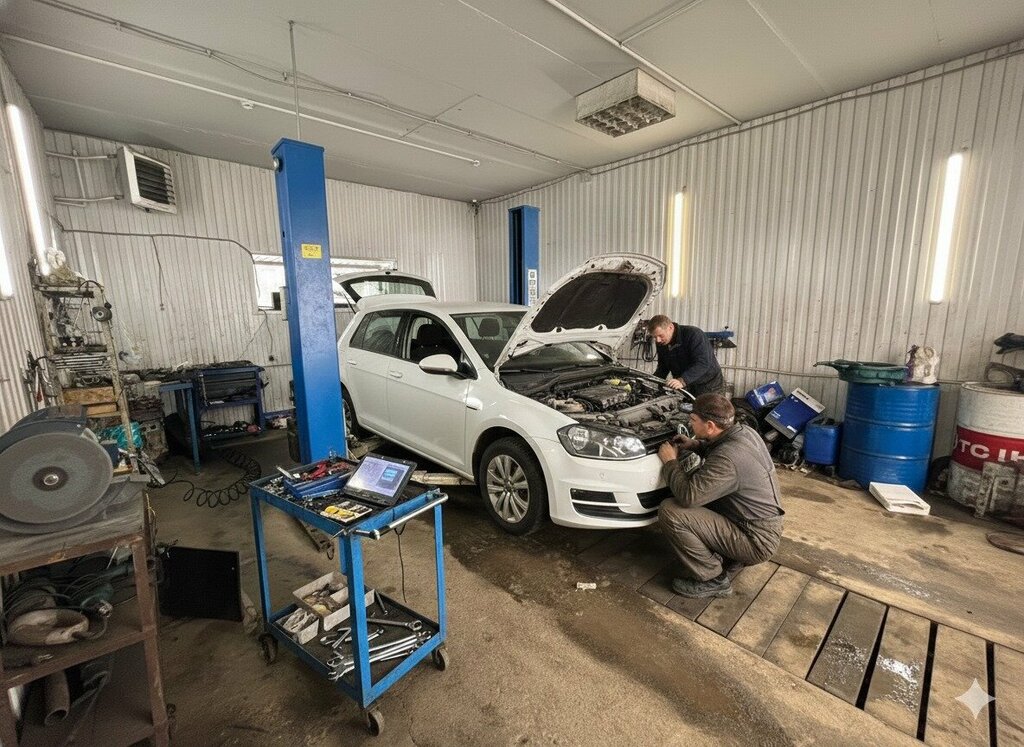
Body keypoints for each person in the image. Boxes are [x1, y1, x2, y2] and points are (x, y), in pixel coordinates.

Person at [656, 394, 784, 598]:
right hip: (754, 523)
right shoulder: (745, 432)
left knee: (671, 511)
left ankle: (713, 579)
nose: (690, 423)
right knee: (704, 494)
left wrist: (670, 462)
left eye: (693, 420)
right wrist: (695, 445)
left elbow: (689, 497)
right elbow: (719, 448)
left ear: (710, 426)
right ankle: (729, 555)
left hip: (755, 540)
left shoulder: (728, 458)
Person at [648, 315, 725, 396]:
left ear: (670, 327)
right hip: (686, 385)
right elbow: (663, 367)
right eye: (655, 337)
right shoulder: (662, 342)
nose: (658, 340)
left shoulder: (693, 334)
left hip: (708, 385)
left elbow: (703, 363)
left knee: (708, 404)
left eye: (661, 335)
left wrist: (683, 380)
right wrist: (652, 382)